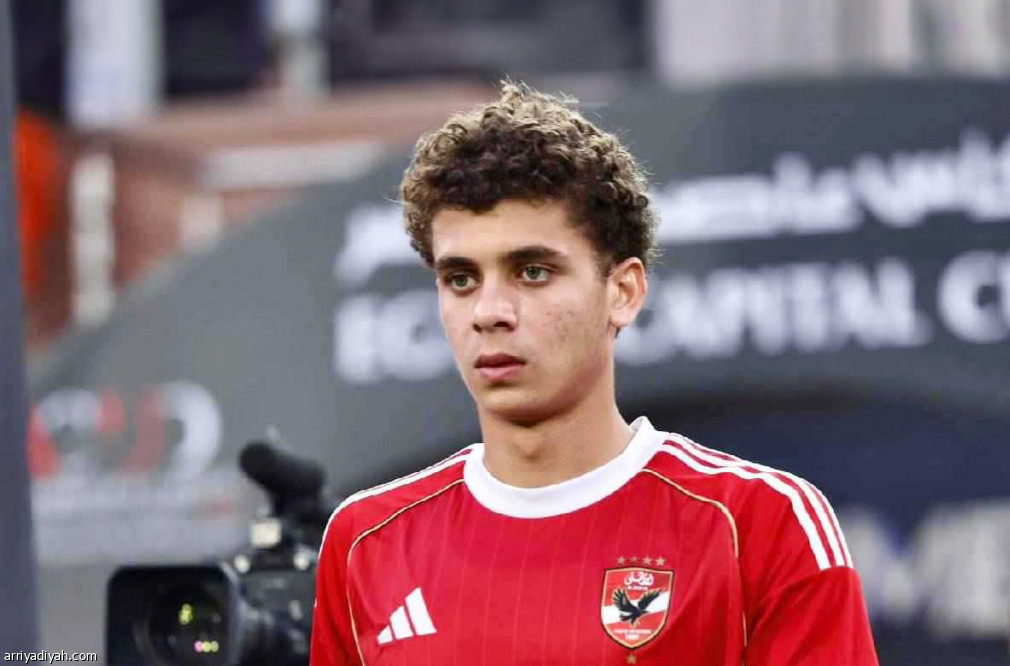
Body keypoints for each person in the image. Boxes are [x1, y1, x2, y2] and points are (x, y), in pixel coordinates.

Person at [310, 81, 878, 665]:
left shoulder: (762, 524)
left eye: (532, 272)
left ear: (623, 292)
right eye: (461, 279)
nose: (489, 312)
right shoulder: (365, 541)